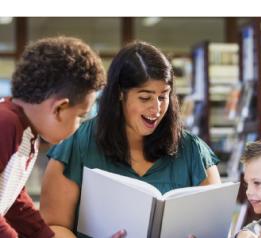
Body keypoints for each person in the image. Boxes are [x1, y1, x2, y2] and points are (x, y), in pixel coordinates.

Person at [40, 41, 221, 237]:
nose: (156, 109)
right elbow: (53, 227)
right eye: (145, 98)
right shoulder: (76, 145)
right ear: (120, 94)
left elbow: (214, 229)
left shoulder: (193, 151)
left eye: (163, 97)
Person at [0, 36, 106, 237]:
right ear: (59, 108)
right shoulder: (5, 124)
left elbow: (13, 199)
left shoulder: (27, 131)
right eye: (80, 116)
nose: (78, 126)